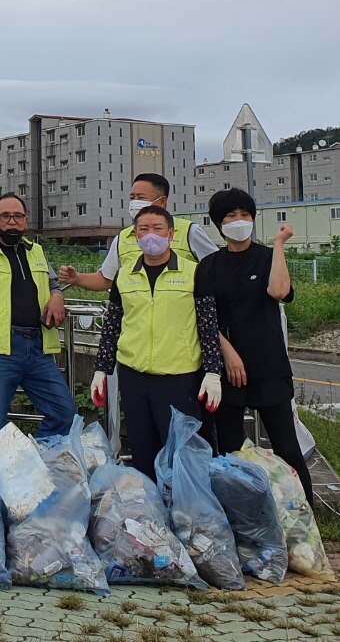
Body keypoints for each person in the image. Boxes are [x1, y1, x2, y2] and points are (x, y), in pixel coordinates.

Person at [91, 205, 224, 478]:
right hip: (134, 375)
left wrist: (213, 372)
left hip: (179, 377)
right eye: (143, 229)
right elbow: (113, 323)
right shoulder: (124, 274)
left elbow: (208, 326)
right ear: (135, 236)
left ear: (171, 234)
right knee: (142, 449)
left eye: (158, 228)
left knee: (181, 453)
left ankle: (185, 513)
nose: (151, 235)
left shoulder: (194, 272)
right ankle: (150, 514)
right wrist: (100, 369)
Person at [198, 189, 312, 504]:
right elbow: (204, 318)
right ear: (218, 224)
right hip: (225, 369)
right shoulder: (208, 265)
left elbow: (278, 291)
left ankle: (305, 520)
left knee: (288, 448)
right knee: (231, 452)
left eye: (245, 214)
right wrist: (228, 353)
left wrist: (278, 245)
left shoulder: (266, 256)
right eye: (230, 216)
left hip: (269, 366)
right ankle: (245, 521)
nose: (239, 221)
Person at [0, 193, 75, 438]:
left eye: (17, 216)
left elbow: (54, 285)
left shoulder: (36, 252)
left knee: (64, 413)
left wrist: (57, 298)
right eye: (5, 216)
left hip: (38, 347)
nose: (12, 221)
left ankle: (34, 464)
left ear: (25, 220)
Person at [58, 173, 219, 290]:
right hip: (137, 322)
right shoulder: (123, 237)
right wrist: (77, 278)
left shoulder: (189, 231)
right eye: (132, 197)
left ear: (162, 202)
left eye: (141, 197)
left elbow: (217, 271)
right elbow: (107, 279)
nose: (135, 202)